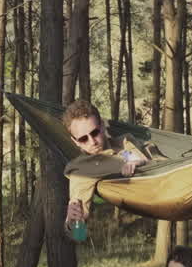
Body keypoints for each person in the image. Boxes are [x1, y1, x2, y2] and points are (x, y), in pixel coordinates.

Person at [61, 99, 155, 233]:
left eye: (95, 133)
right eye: (83, 139)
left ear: (103, 126)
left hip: (169, 179)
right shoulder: (81, 170)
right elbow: (78, 234)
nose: (92, 142)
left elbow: (139, 156)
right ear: (75, 142)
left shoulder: (124, 141)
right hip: (153, 201)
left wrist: (137, 161)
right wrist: (71, 222)